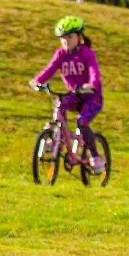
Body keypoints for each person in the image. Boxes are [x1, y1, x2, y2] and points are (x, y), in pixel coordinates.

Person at [30, 15, 104, 173]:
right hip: (75, 96)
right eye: (62, 38)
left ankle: (95, 156)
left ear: (79, 36)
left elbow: (94, 73)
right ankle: (55, 139)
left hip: (91, 97)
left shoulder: (87, 53)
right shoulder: (60, 54)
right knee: (59, 104)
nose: (66, 41)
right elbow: (49, 69)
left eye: (69, 37)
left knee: (82, 121)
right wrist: (37, 81)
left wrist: (91, 85)